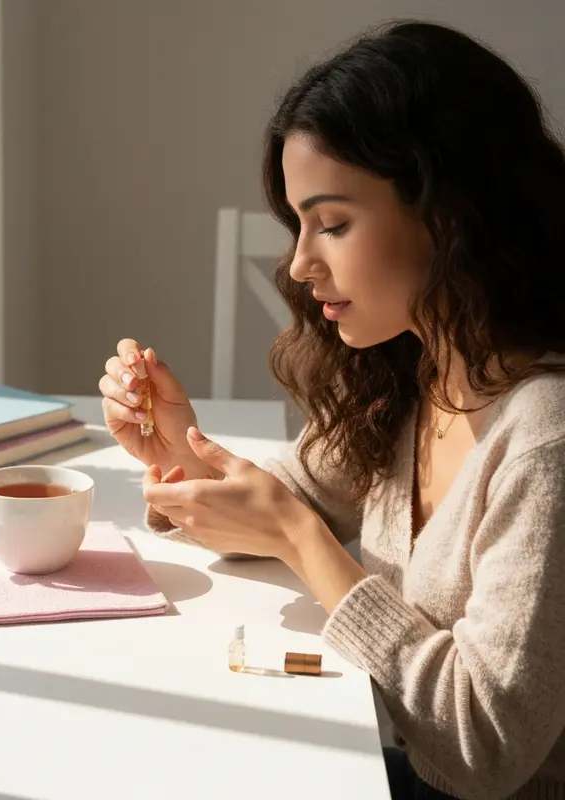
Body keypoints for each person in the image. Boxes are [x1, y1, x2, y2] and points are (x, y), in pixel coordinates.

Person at [98, 19, 565, 800]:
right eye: (299, 223)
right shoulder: (423, 374)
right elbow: (290, 498)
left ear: (449, 211)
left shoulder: (543, 439)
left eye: (334, 223)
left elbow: (485, 750)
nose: (301, 262)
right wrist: (176, 443)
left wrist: (301, 542)